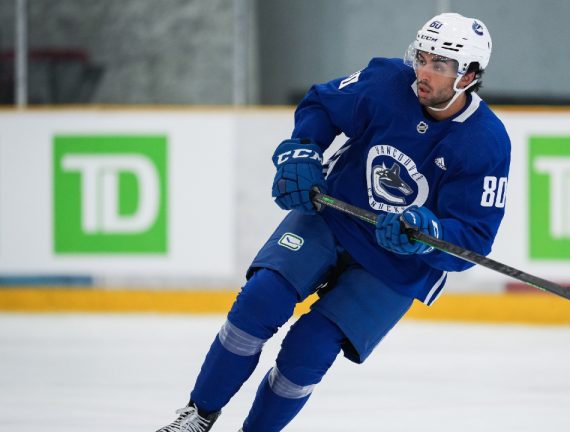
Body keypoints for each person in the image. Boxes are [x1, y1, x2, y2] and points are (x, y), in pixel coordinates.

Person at [155, 12, 510, 432]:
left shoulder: (486, 142)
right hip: (334, 216)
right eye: (422, 57)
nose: (423, 72)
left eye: (439, 65)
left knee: (307, 352)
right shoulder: (386, 82)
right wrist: (302, 150)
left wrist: (427, 234)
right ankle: (198, 415)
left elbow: (472, 240)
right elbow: (322, 103)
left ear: (468, 76)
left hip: (396, 264)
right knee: (259, 301)